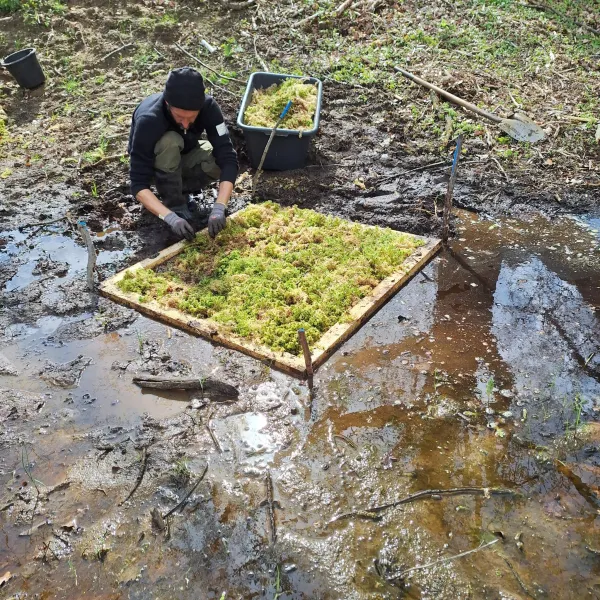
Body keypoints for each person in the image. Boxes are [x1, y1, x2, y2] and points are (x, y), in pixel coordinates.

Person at [128, 67, 238, 241]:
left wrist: (220, 206)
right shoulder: (149, 120)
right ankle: (174, 202)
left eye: (192, 117)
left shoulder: (209, 107)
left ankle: (183, 189)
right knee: (171, 140)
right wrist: (170, 217)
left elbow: (228, 159)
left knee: (216, 160)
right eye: (179, 117)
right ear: (167, 104)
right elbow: (138, 183)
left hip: (184, 156)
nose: (186, 125)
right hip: (155, 167)